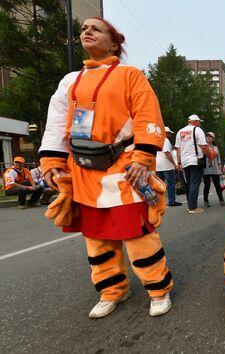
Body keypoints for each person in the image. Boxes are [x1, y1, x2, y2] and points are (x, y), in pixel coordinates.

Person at [38, 17, 172, 318]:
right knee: (97, 238)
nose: (86, 31)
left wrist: (142, 156)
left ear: (114, 43)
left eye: (95, 28)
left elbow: (147, 113)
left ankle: (158, 288)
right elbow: (57, 121)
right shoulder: (69, 81)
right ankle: (113, 290)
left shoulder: (130, 75)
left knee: (138, 235)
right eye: (84, 28)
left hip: (124, 167)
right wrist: (52, 160)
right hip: (83, 171)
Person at [175, 114, 212, 214]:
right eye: (199, 122)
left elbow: (178, 149)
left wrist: (179, 162)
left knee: (189, 183)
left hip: (185, 161)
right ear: (195, 122)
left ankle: (190, 205)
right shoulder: (197, 130)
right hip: (196, 160)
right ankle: (193, 207)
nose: (200, 124)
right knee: (195, 183)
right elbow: (204, 147)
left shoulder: (179, 132)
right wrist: (210, 157)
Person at [156, 126, 180, 207]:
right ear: (166, 133)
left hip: (157, 166)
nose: (170, 135)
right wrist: (174, 164)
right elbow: (167, 153)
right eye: (169, 133)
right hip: (166, 166)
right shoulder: (165, 140)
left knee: (159, 185)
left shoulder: (157, 140)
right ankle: (172, 201)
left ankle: (159, 202)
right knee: (171, 184)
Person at [202, 132, 225, 207]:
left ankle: (221, 200)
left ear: (213, 139)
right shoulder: (203, 146)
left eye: (210, 136)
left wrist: (220, 166)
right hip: (206, 169)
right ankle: (206, 201)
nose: (208, 137)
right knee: (207, 185)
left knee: (217, 185)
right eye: (207, 136)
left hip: (215, 169)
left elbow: (218, 159)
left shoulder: (216, 148)